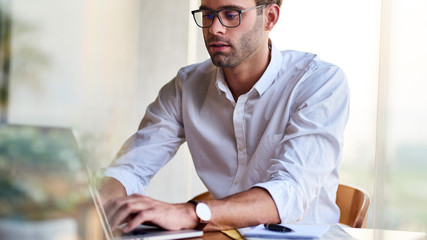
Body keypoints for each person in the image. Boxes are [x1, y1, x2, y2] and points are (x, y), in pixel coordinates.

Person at [99, 0, 350, 233]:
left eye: (231, 15)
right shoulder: (185, 87)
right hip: (223, 235)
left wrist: (192, 213)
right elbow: (131, 168)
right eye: (207, 14)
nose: (214, 28)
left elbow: (290, 192)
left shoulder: (319, 83)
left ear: (270, 18)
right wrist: (96, 205)